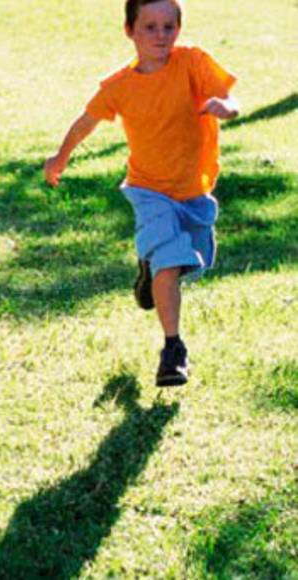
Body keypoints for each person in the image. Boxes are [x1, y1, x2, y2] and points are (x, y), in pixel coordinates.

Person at [44, 0, 238, 387]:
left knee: (191, 263)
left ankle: (150, 271)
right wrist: (60, 157)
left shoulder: (193, 63)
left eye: (169, 27)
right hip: (148, 190)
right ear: (129, 30)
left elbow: (230, 99)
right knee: (170, 260)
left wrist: (226, 108)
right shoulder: (119, 85)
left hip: (193, 191)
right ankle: (173, 349)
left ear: (179, 29)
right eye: (149, 27)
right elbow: (86, 122)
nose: (160, 35)